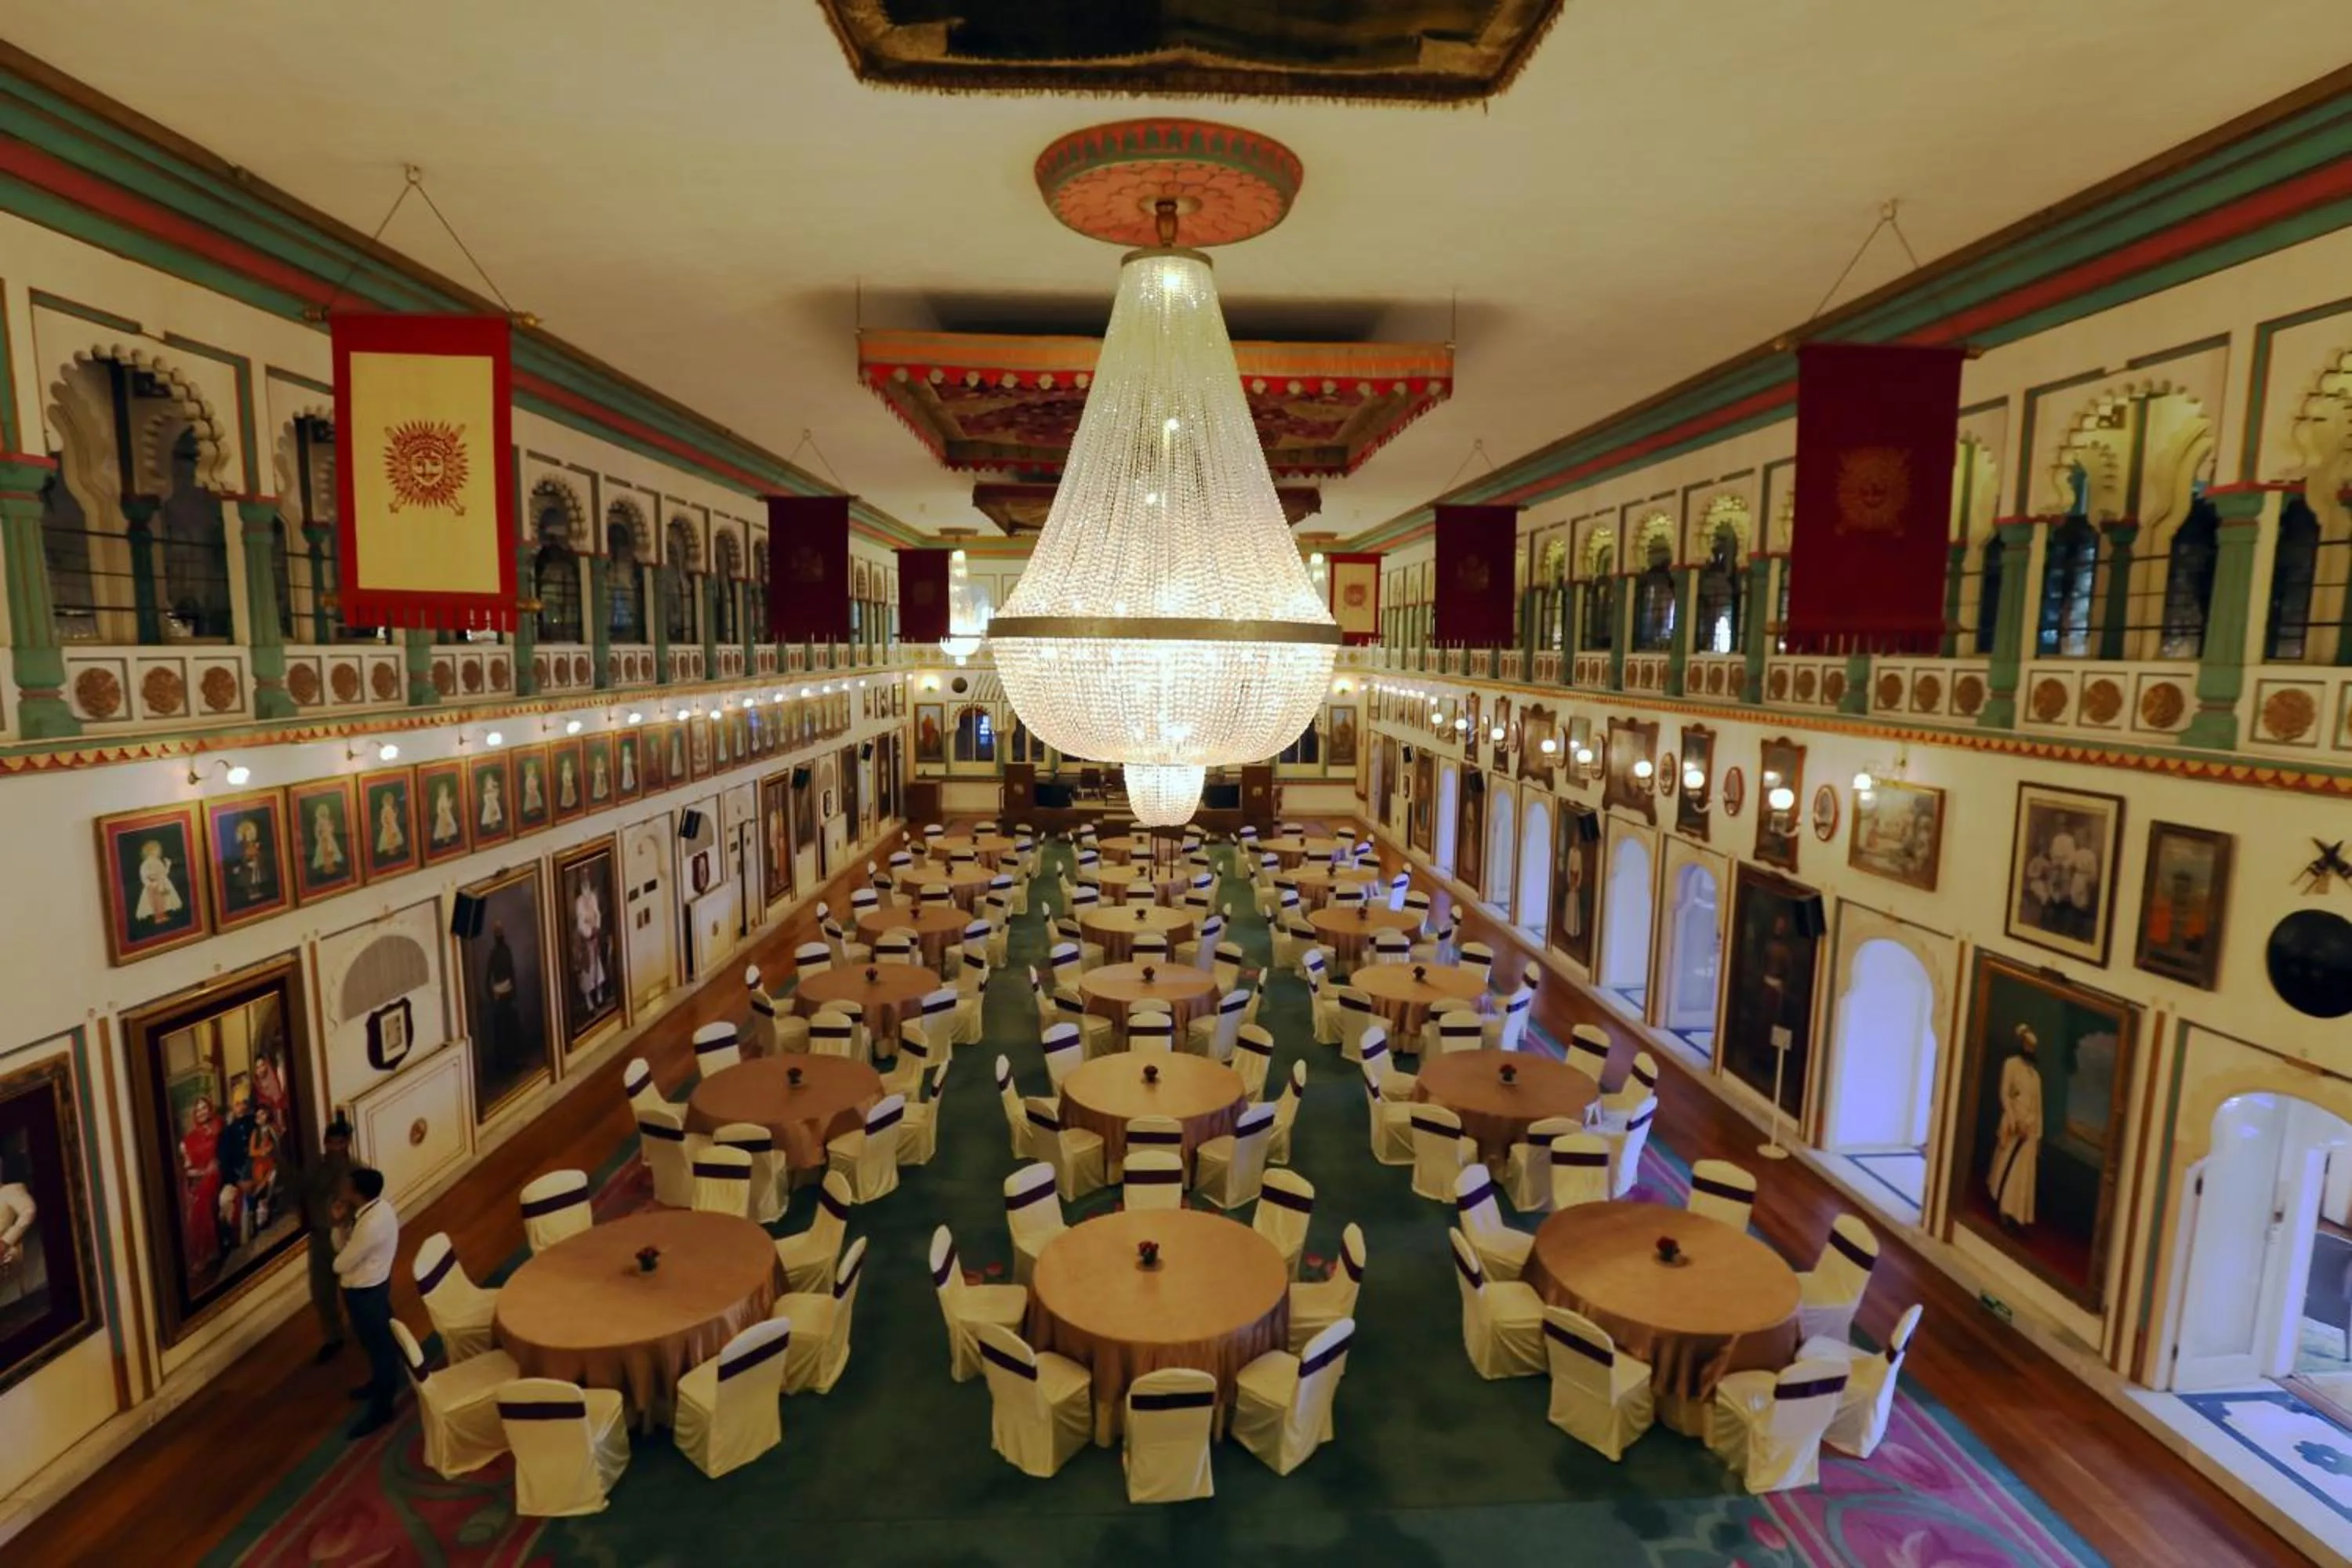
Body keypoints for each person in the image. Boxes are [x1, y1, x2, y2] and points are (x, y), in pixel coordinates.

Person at [332, 1165, 401, 1438]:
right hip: (376, 1285)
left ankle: (382, 1409)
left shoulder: (369, 1226)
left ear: (356, 1193)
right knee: (379, 1344)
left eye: (347, 1185)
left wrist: (338, 1226)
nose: (343, 1189)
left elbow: (340, 1262)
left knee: (379, 1347)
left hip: (364, 1294)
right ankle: (380, 1384)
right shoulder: (380, 1209)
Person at [296, 1118, 354, 1364]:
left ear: (347, 1143)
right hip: (319, 1237)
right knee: (321, 1291)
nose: (334, 1149)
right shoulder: (317, 1170)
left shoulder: (356, 1172)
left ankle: (367, 1330)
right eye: (330, 1143)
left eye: (339, 1143)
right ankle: (333, 1336)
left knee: (353, 1289)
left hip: (344, 1237)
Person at [1989, 1024, 2043, 1229]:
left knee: (2023, 1174)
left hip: (2029, 1131)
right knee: (2006, 1166)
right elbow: (2005, 1093)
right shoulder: (2010, 1065)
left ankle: (2017, 1213)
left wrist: (2036, 1134)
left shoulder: (2035, 1077)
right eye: (2027, 1045)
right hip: (2014, 1125)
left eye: (2033, 1047)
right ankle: (2002, 1207)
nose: (2030, 1049)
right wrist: (2014, 1121)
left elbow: (2038, 1108)